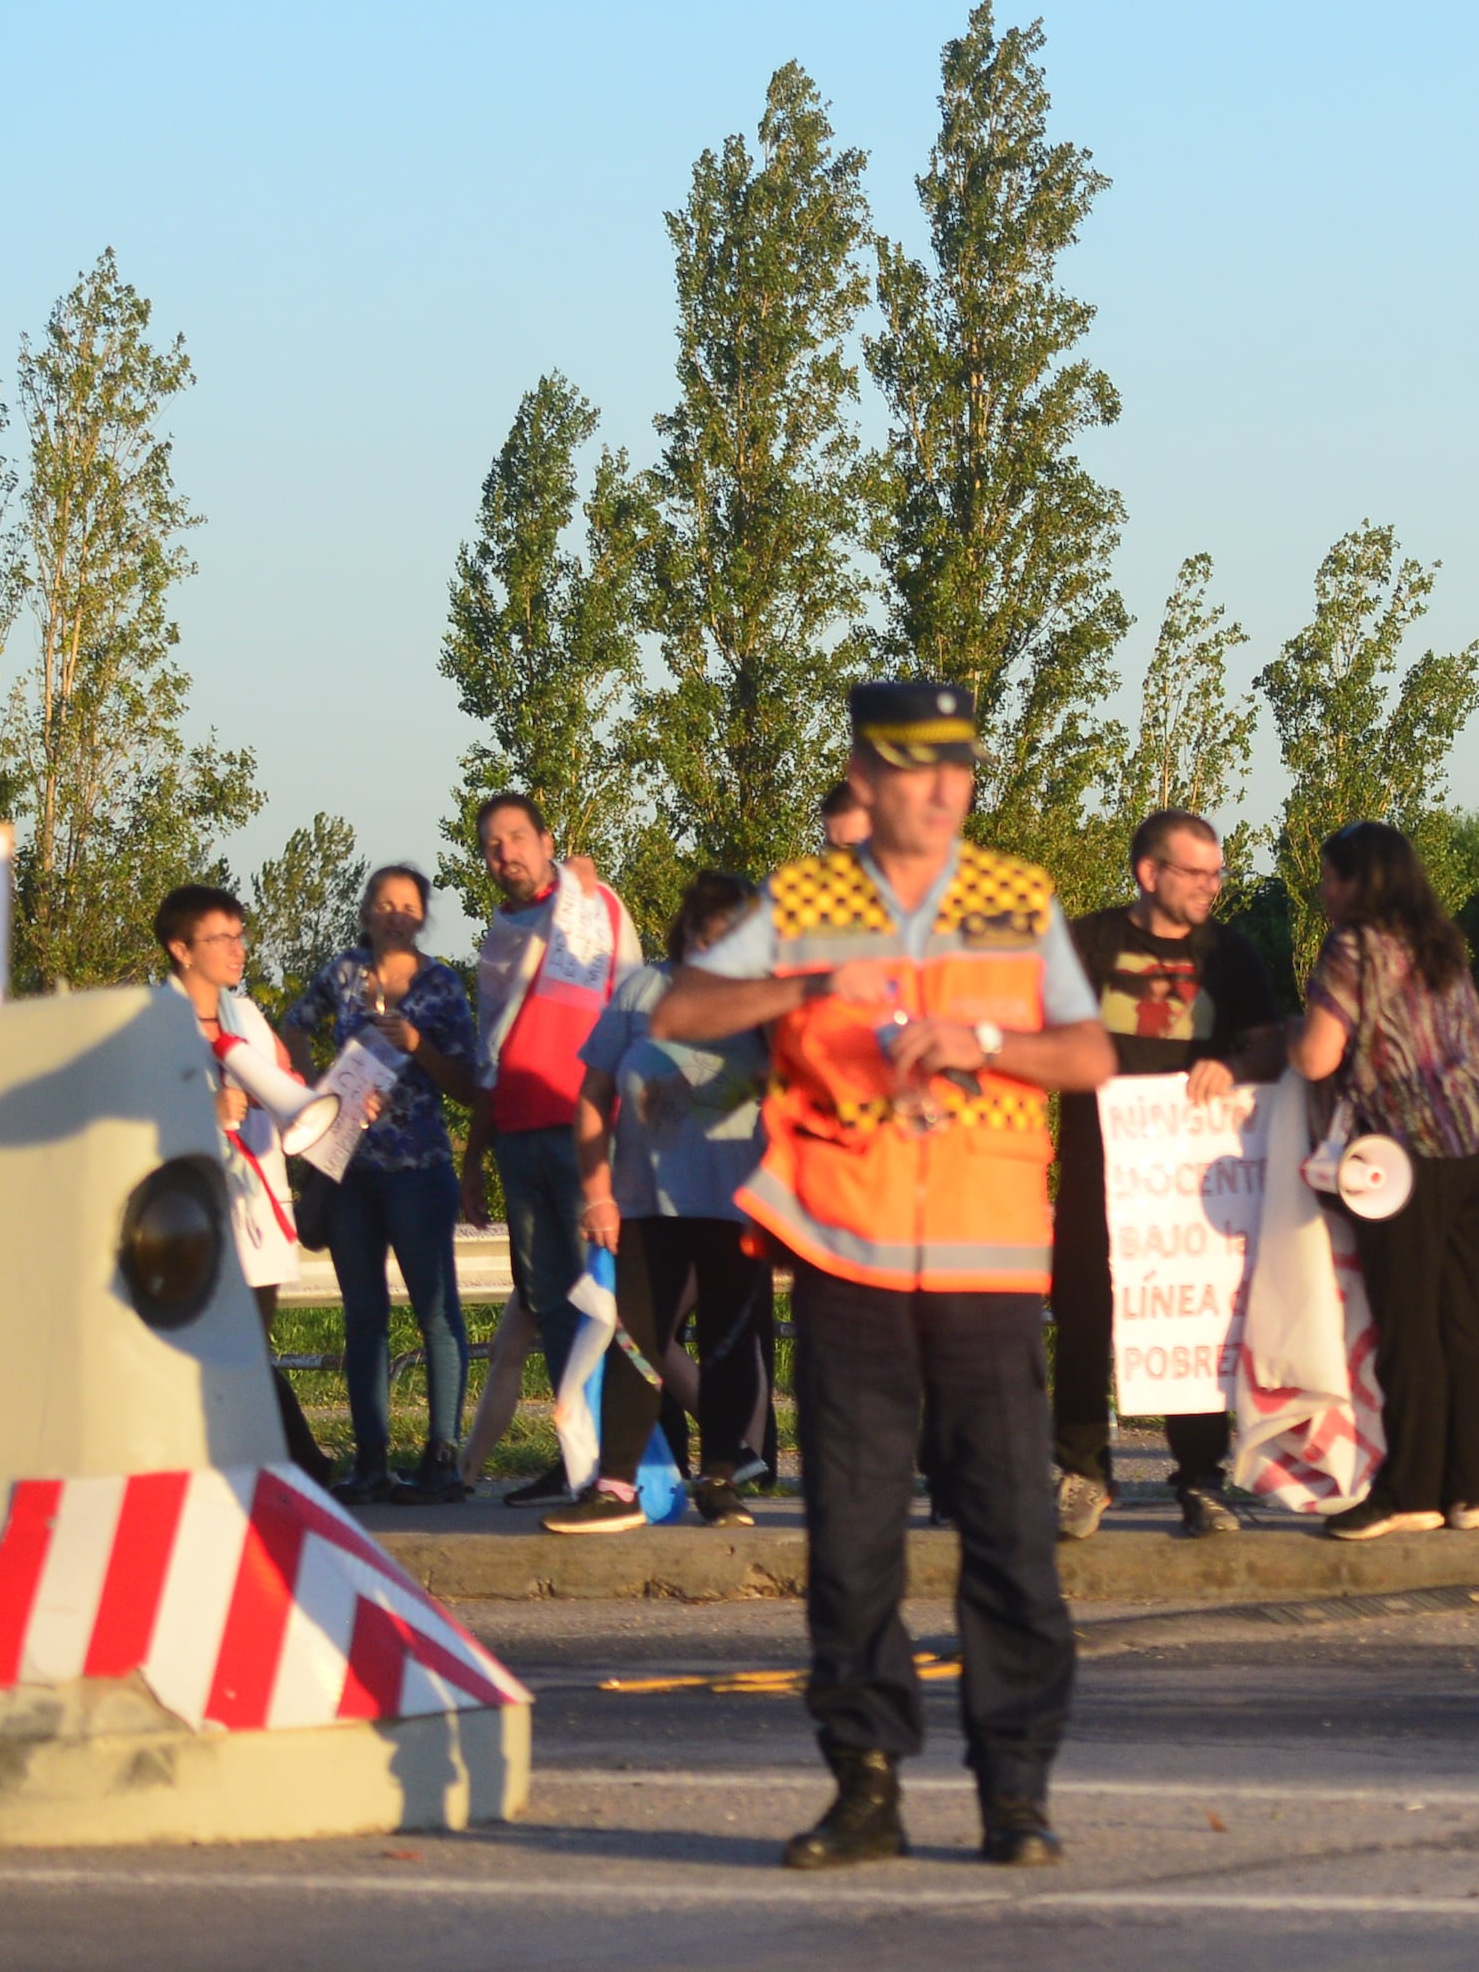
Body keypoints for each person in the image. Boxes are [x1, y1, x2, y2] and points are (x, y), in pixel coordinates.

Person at [658, 677, 1116, 1870]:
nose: (942, 788)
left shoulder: (1018, 895)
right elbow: (688, 1005)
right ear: (864, 778)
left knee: (1012, 1536)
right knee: (850, 1539)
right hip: (846, 1254)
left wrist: (985, 1041)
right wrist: (807, 989)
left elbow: (1090, 1051)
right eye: (915, 766)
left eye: (958, 765)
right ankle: (865, 1786)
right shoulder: (807, 896)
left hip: (987, 1267)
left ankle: (1015, 1793)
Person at [1056, 808, 1296, 1540]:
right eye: (1196, 872)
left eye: (1217, 871)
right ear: (1148, 872)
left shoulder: (1232, 953)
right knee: (1082, 1315)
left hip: (1191, 1184)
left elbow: (1274, 1045)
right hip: (1099, 1167)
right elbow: (1044, 1031)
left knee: (1194, 1319)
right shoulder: (1086, 942)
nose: (1211, 886)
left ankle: (1201, 1477)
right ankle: (1082, 1475)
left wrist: (1237, 1066)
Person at [1296, 820, 1479, 1539]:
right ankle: (1469, 1491)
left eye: (1333, 876)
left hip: (1407, 1148)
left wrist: (1279, 1033)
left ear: (1362, 881)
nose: (1324, 890)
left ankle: (1409, 1492)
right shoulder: (1441, 942)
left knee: (1408, 1320)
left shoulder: (1353, 945)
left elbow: (1317, 1057)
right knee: (1469, 1319)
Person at [550, 870, 774, 1532]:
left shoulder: (763, 1001)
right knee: (636, 1341)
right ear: (688, 932)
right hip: (645, 1204)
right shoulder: (640, 990)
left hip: (735, 1203)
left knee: (729, 1342)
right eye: (712, 937)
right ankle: (615, 1487)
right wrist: (598, 1193)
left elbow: (795, 1088)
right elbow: (592, 1096)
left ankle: (721, 1479)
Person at [288, 864, 487, 1504]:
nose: (395, 914)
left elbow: (468, 1084)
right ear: (368, 912)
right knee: (364, 1316)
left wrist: (419, 1044)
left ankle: (442, 1458)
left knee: (436, 1312)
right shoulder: (343, 972)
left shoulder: (440, 985)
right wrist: (315, 1092)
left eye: (407, 905)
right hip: (349, 1169)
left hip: (418, 1170)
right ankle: (370, 1461)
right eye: (384, 903)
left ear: (422, 916)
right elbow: (293, 1026)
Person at [467, 791, 639, 1505]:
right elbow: (487, 1056)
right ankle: (577, 1457)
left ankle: (627, 1458)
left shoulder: (592, 908)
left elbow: (634, 1004)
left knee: (602, 1295)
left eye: (516, 836)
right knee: (550, 1297)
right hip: (516, 1133)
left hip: (585, 1132)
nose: (505, 851)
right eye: (491, 842)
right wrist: (473, 1162)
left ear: (545, 839)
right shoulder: (497, 939)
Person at [154, 880, 341, 1492]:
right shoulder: (154, 1024)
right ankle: (302, 1467)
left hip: (257, 1201)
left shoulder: (248, 1017)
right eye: (221, 938)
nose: (237, 949)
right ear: (182, 950)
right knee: (238, 1347)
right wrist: (202, 1110)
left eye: (240, 935)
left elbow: (287, 1086)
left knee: (248, 1345)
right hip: (200, 1208)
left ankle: (271, 1468)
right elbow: (143, 1110)